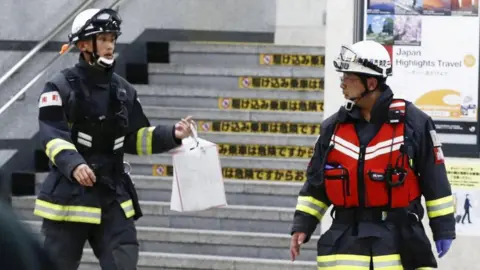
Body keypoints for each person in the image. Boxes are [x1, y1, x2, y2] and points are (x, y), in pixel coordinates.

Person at [33, 8, 194, 270]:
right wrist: (75, 164)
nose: (110, 46)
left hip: (112, 196)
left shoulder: (123, 90)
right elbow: (52, 134)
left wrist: (172, 134)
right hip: (69, 198)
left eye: (112, 39)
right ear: (84, 44)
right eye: (104, 39)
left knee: (124, 262)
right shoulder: (60, 87)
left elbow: (135, 138)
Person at [289, 40, 455, 269]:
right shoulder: (333, 128)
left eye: (349, 78)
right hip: (345, 241)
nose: (342, 83)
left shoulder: (414, 123)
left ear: (371, 82)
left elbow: (434, 180)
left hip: (400, 241)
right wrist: (303, 225)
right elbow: (316, 185)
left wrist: (443, 228)